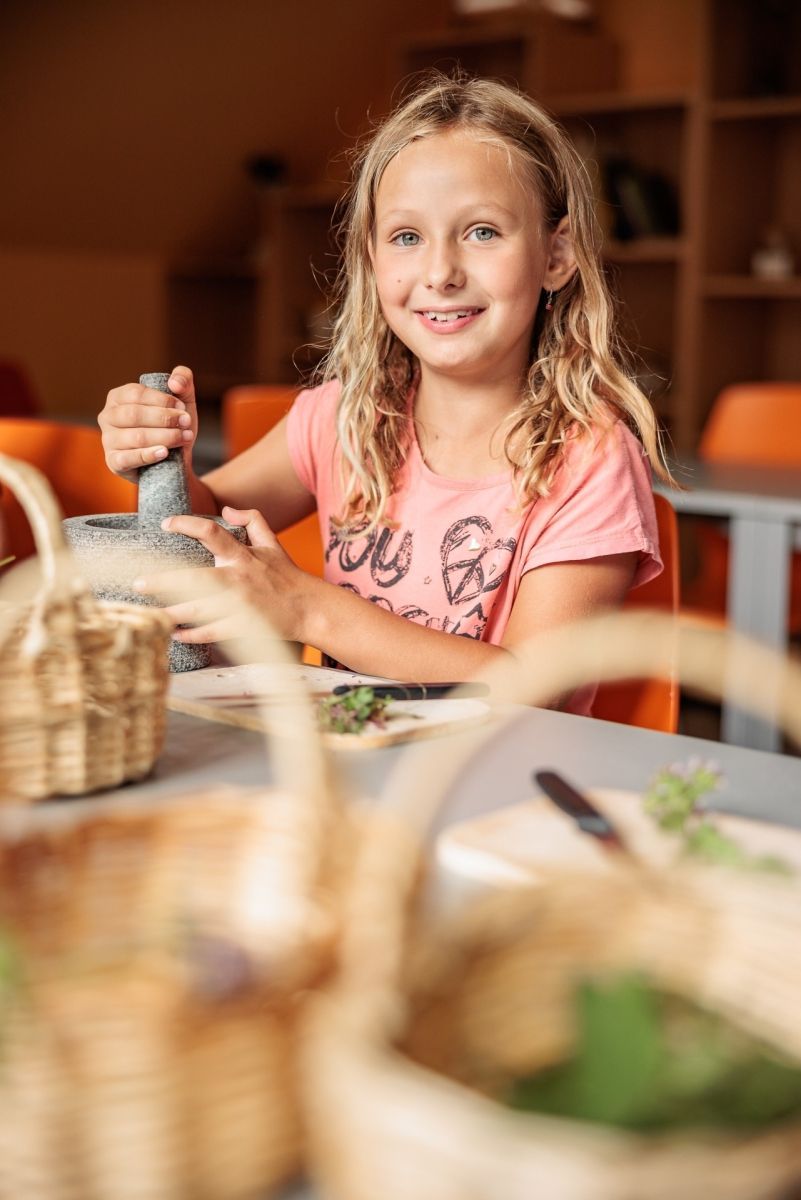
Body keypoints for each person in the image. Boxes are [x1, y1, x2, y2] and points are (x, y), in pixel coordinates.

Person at [98, 73, 671, 714]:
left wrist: (312, 612)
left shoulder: (589, 458)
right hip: (352, 771)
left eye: (482, 231)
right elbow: (200, 525)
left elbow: (533, 688)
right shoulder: (340, 417)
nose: (440, 272)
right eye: (406, 237)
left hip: (501, 787)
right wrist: (157, 455)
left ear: (556, 255)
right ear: (372, 259)